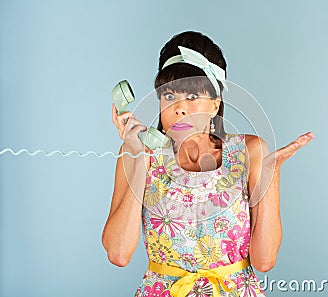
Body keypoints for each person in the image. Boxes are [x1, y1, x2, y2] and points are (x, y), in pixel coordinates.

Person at [102, 31, 314, 297]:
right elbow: (118, 254)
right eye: (169, 96)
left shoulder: (251, 152)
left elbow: (264, 261)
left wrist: (271, 173)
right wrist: (138, 157)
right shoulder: (138, 153)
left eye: (192, 97)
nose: (179, 108)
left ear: (215, 104)